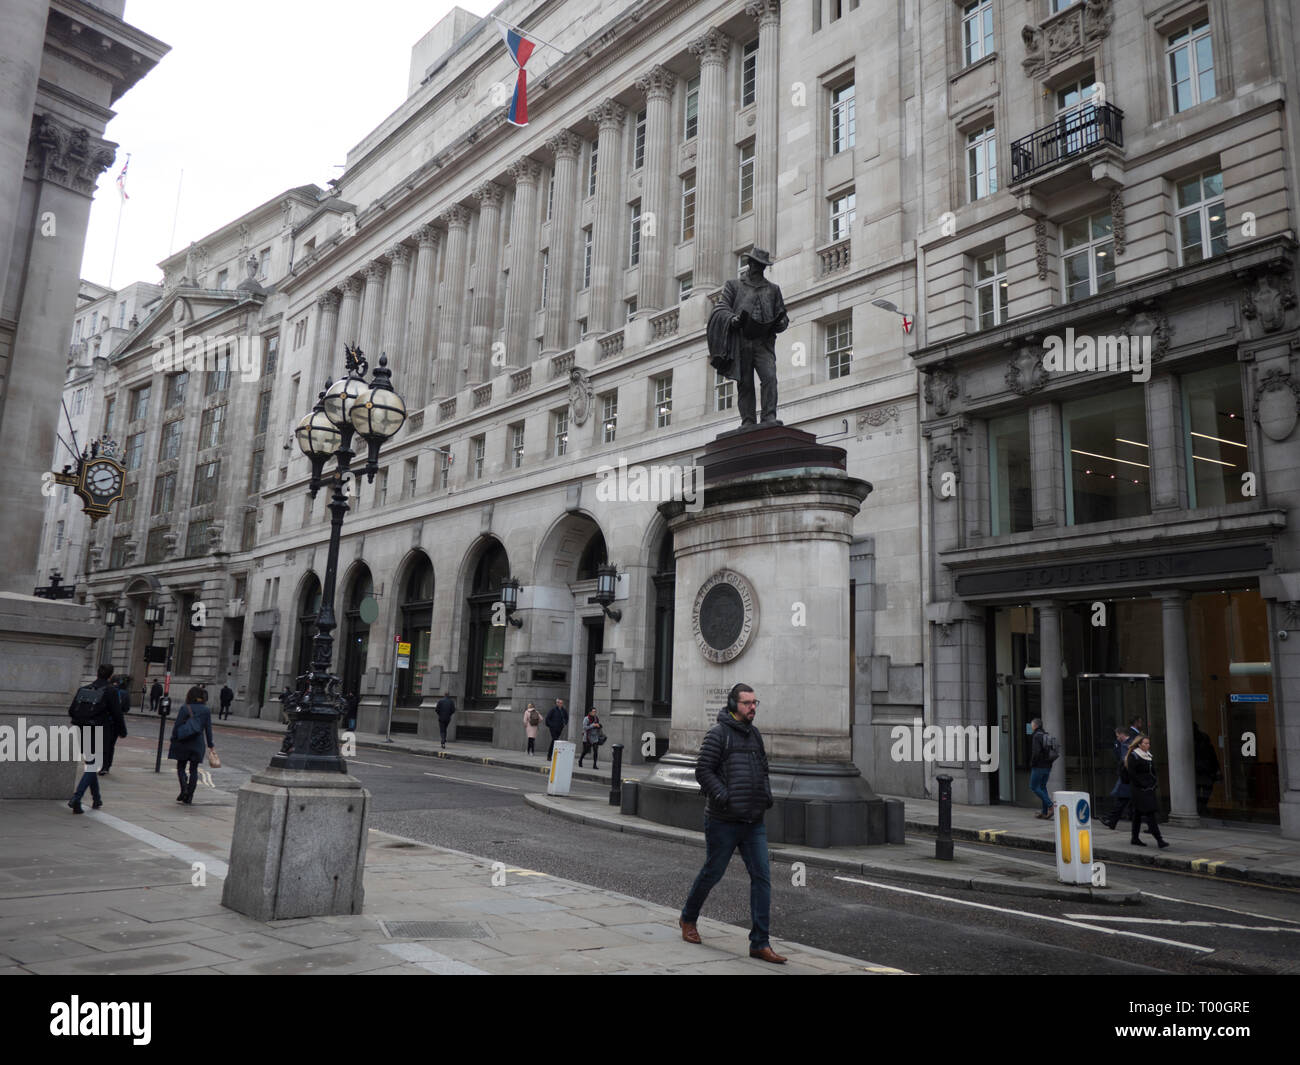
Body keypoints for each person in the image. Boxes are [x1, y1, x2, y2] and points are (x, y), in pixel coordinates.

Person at [680, 683, 785, 964]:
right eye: (747, 703)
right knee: (713, 872)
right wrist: (724, 797)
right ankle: (688, 919)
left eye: (755, 703)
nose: (752, 707)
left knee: (762, 877)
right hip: (723, 820)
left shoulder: (755, 735)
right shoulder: (719, 734)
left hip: (753, 821)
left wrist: (766, 796)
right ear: (732, 705)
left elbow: (763, 769)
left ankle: (760, 942)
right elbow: (703, 769)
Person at [707, 248, 789, 430]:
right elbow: (720, 309)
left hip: (763, 342)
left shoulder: (773, 290)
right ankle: (748, 420)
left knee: (770, 377)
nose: (758, 268)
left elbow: (783, 316)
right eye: (756, 265)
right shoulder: (734, 285)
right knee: (745, 383)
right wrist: (733, 319)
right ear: (750, 264)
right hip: (741, 341)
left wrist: (780, 323)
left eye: (762, 266)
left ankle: (769, 416)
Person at [66, 664, 115, 813]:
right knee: (93, 765)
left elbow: (71, 710)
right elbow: (117, 713)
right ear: (110, 676)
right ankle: (77, 797)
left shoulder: (84, 689)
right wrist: (122, 730)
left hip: (82, 730)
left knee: (91, 764)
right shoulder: (110, 691)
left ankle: (97, 798)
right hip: (99, 731)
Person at [168, 686, 215, 805]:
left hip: (183, 741)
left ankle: (184, 788)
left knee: (181, 767)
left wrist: (173, 738)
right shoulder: (206, 710)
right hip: (197, 743)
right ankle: (190, 796)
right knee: (193, 770)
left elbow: (177, 725)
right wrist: (210, 745)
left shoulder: (185, 708)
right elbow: (208, 729)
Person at [1125, 734, 1169, 848]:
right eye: (1145, 743)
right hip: (1139, 790)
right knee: (1150, 813)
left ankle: (1134, 838)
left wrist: (1154, 783)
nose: (1148, 745)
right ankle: (1159, 840)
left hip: (1149, 789)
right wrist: (1142, 784)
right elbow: (1132, 774)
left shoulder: (1148, 756)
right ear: (1139, 744)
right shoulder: (1134, 756)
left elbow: (1152, 772)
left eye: (1148, 743)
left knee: (1137, 815)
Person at [1102, 726, 1132, 830]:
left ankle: (1111, 820)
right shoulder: (1121, 744)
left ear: (1122, 734)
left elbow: (1124, 760)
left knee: (1123, 800)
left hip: (1128, 777)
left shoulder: (1128, 744)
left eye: (1118, 735)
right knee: (1122, 800)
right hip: (1127, 777)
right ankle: (1111, 821)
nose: (1117, 737)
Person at [98, 676, 129, 775]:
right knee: (111, 745)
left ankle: (102, 765)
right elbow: (125, 708)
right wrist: (122, 730)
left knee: (102, 744)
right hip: (115, 723)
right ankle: (107, 766)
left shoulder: (105, 690)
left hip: (103, 721)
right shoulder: (124, 693)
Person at [1028, 717, 1057, 819]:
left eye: (1032, 725)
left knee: (1033, 787)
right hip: (1048, 766)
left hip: (1038, 766)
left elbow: (1036, 752)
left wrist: (1032, 763)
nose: (1031, 727)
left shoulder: (1036, 736)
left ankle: (1050, 805)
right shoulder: (1046, 735)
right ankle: (1045, 812)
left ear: (1035, 725)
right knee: (1042, 787)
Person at [1192, 723, 1220, 817]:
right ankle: (1201, 806)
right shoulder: (1200, 739)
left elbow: (1213, 756)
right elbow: (1213, 756)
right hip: (1203, 768)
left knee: (1203, 788)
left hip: (1202, 768)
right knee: (1204, 788)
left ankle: (1201, 806)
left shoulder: (1199, 740)